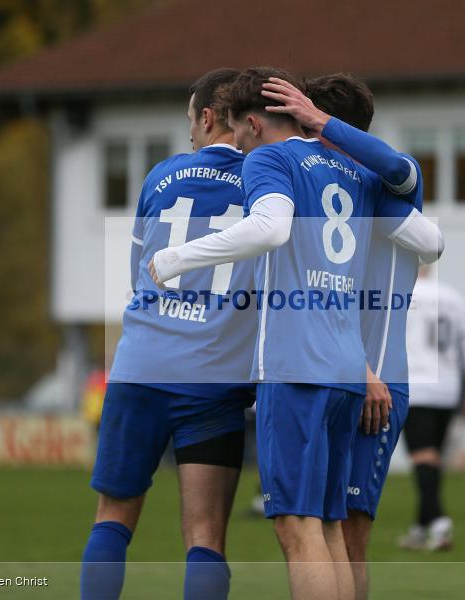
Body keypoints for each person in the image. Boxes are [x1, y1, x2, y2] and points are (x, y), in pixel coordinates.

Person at [150, 67, 441, 600]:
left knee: (298, 526)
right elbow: (431, 238)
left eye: (237, 129)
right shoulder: (359, 180)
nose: (235, 143)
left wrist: (176, 257)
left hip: (298, 370)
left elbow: (272, 227)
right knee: (330, 527)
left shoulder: (274, 159)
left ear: (255, 124)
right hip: (345, 372)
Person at [80, 68, 257, 600]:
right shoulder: (266, 184)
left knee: (113, 517)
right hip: (213, 378)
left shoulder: (161, 176)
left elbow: (140, 269)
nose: (189, 134)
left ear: (207, 117)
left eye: (190, 121)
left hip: (140, 366)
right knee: (206, 537)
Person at [265, 72, 437, 598]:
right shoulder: (330, 185)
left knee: (345, 535)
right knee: (328, 527)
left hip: (374, 380)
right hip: (343, 372)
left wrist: (320, 122)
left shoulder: (385, 184)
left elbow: (410, 193)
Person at [397, 265, 465, 551]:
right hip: (448, 388)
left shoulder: (401, 293)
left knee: (422, 458)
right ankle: (419, 529)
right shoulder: (453, 298)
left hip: (416, 385)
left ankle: (439, 523)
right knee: (432, 459)